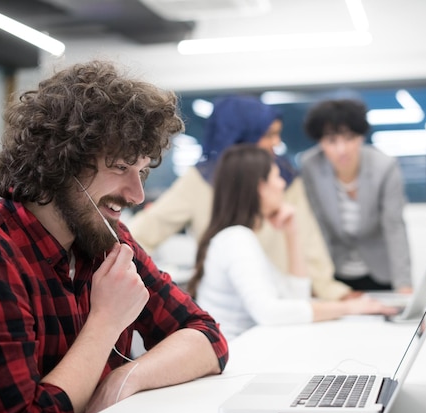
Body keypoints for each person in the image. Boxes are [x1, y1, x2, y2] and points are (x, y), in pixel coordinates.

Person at [0, 60, 228, 413]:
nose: (137, 194)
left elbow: (206, 336)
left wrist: (125, 378)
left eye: (141, 171)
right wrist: (106, 321)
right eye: (120, 168)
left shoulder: (108, 240)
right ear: (59, 161)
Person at [129, 95, 355, 300]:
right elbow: (142, 233)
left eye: (278, 133)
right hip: (229, 308)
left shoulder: (282, 178)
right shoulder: (199, 182)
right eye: (269, 135)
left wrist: (332, 292)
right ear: (241, 137)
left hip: (285, 300)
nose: (277, 142)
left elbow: (309, 241)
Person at [187, 144, 399, 340]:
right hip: (238, 359)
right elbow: (269, 313)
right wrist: (348, 307)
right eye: (276, 177)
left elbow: (296, 297)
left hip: (251, 352)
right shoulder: (236, 239)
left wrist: (292, 233)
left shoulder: (239, 237)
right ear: (261, 187)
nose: (281, 184)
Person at [300, 99, 413, 293]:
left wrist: (404, 284)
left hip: (379, 271)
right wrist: (317, 279)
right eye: (331, 141)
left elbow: (394, 227)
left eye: (349, 138)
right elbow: (316, 226)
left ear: (361, 137)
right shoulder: (311, 166)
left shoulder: (384, 166)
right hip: (334, 270)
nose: (341, 149)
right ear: (320, 142)